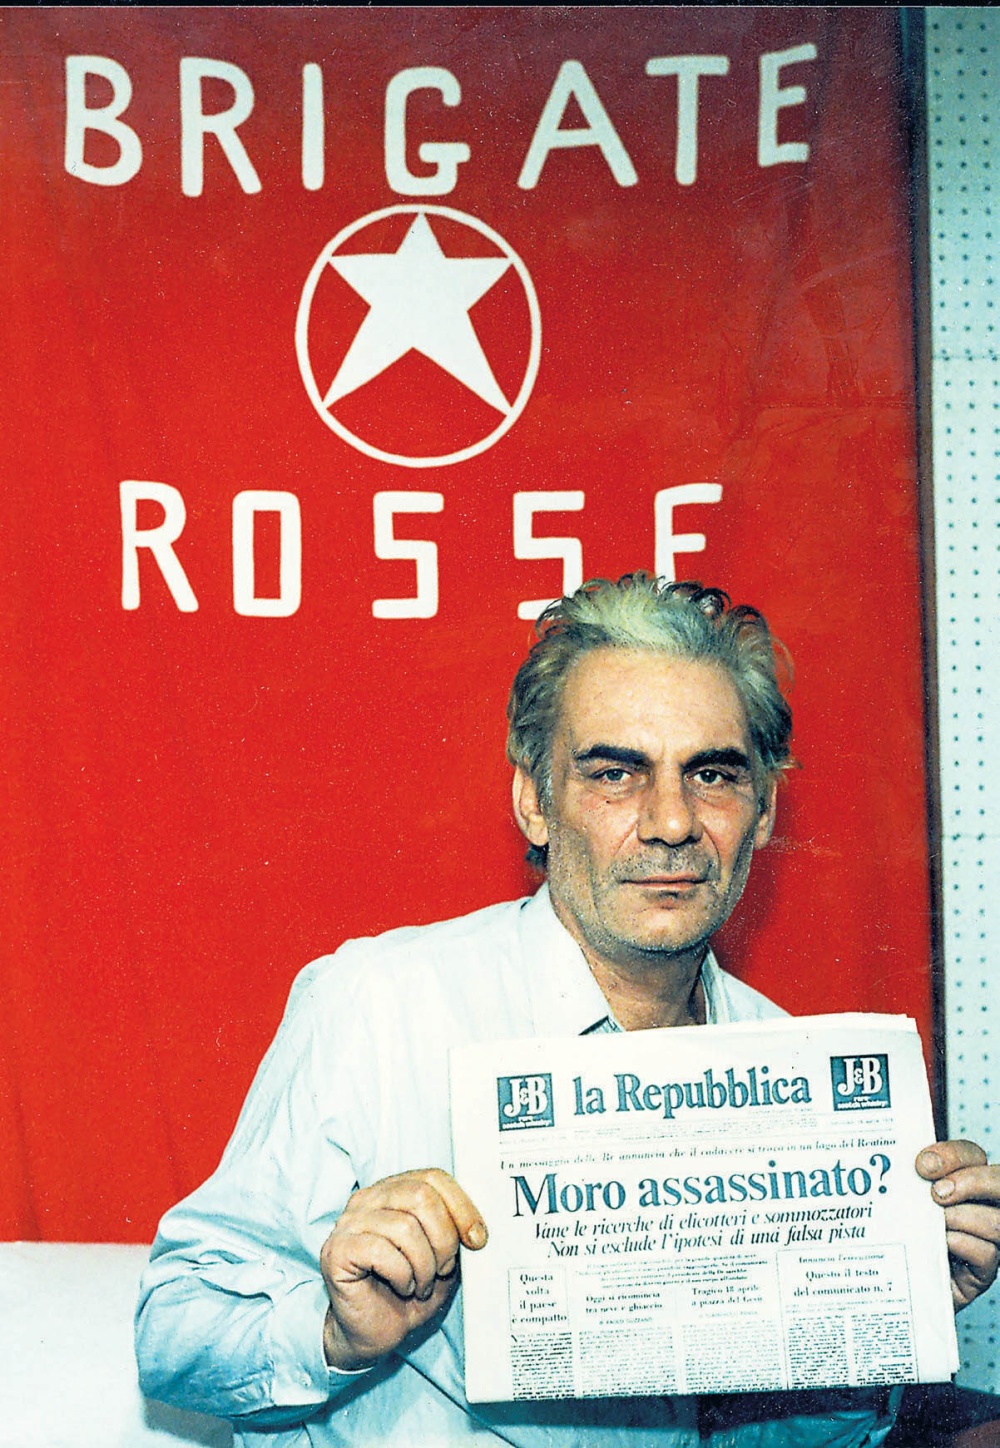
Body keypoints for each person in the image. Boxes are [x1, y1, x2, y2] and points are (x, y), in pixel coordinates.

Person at [136, 575, 1000, 1448]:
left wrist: (880, 1319)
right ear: (535, 801)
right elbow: (173, 1332)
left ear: (766, 809)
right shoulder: (380, 1004)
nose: (672, 822)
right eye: (616, 774)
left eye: (712, 774)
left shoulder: (798, 1072)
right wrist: (336, 1335)